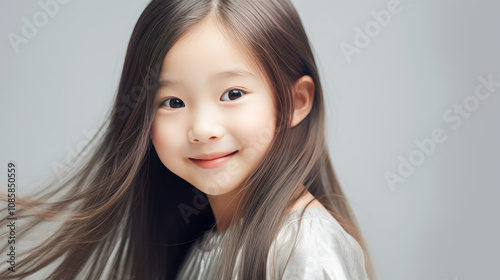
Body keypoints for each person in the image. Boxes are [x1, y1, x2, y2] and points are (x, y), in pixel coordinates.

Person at [0, 0, 375, 279]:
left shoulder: (305, 247)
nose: (202, 128)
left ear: (296, 101)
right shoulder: (202, 245)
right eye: (173, 101)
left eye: (233, 94)